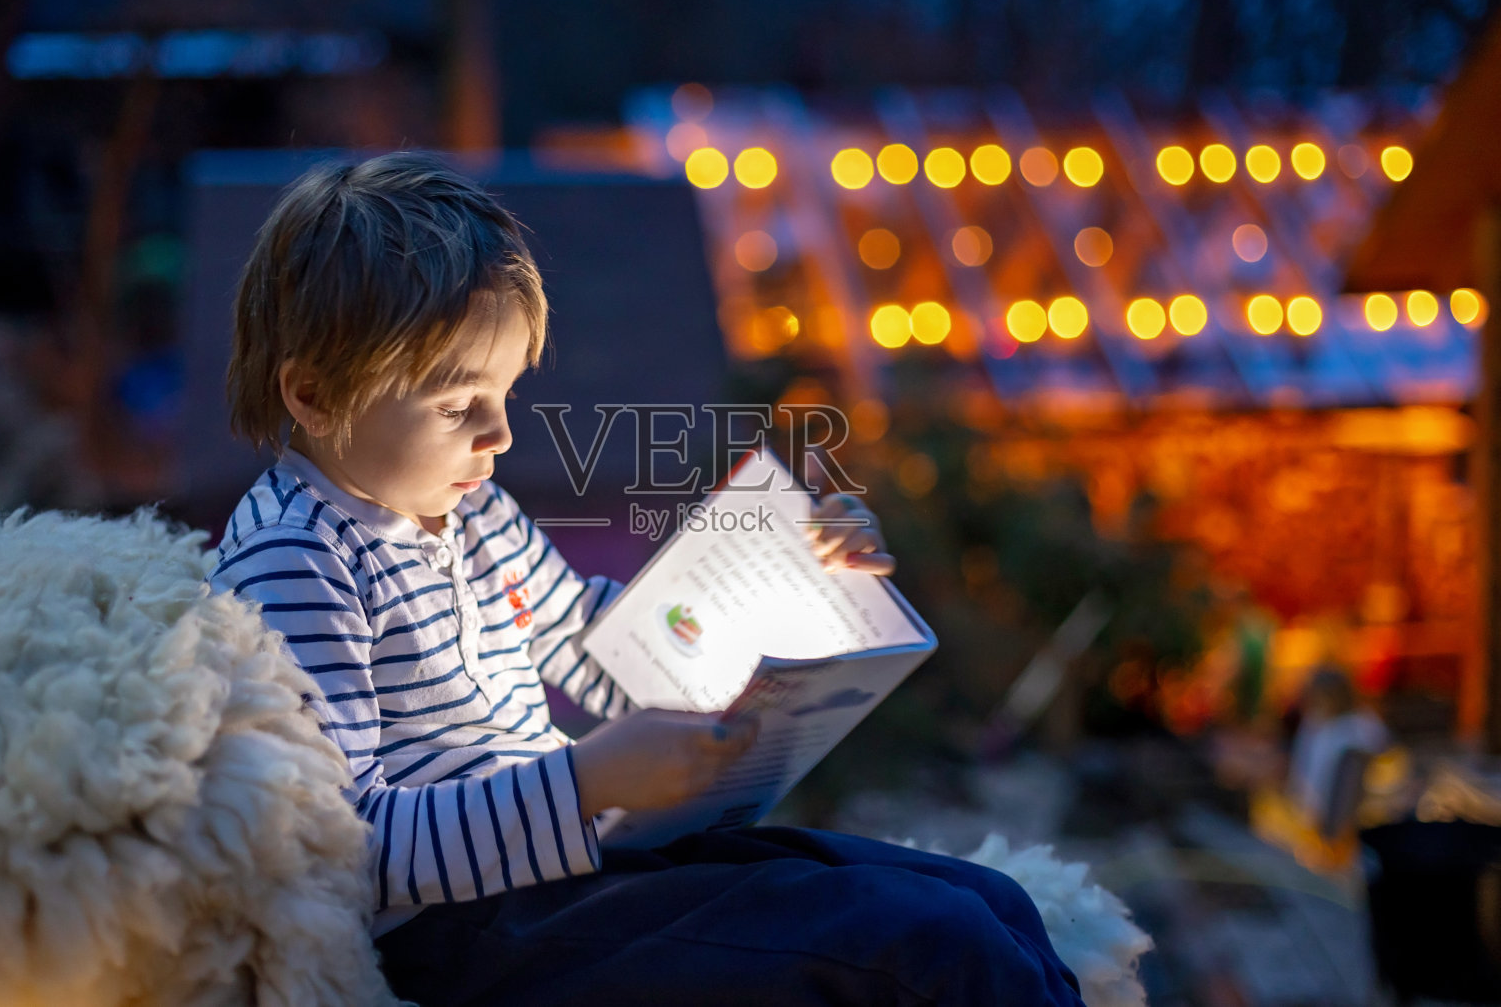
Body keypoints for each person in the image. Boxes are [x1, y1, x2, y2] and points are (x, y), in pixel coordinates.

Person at [207, 151, 1085, 1006]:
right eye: (456, 404)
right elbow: (344, 846)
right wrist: (585, 784)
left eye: (506, 393)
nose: (499, 435)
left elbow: (608, 656)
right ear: (315, 395)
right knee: (931, 945)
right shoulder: (299, 558)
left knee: (991, 904)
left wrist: (799, 576)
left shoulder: (464, 508)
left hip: (572, 871)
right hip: (460, 938)